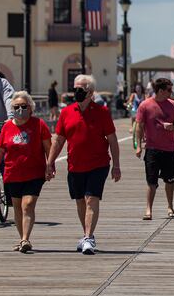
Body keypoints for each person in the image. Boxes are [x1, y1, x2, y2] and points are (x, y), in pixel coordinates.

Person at [46, 74, 121, 255]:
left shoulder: (102, 112)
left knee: (91, 199)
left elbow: (112, 140)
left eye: (80, 89)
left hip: (98, 164)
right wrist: (50, 162)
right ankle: (87, 234)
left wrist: (116, 165)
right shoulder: (66, 112)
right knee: (80, 201)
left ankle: (88, 237)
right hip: (75, 165)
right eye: (75, 89)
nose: (76, 92)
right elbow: (58, 140)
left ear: (90, 92)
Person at [0, 91, 51, 253]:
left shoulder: (39, 124)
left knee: (27, 205)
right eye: (16, 107)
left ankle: (25, 239)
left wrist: (50, 165)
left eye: (24, 106)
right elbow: (0, 151)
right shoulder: (7, 126)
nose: (20, 109)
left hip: (35, 173)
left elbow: (48, 147)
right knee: (17, 207)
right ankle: (22, 238)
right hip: (12, 173)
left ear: (30, 108)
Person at [134, 78, 174, 220]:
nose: (171, 92)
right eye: (169, 90)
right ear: (160, 90)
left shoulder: (173, 105)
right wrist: (138, 146)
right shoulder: (145, 105)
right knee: (151, 181)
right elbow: (139, 126)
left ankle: (170, 207)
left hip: (170, 149)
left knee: (170, 180)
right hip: (152, 148)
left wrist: (173, 127)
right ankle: (148, 210)